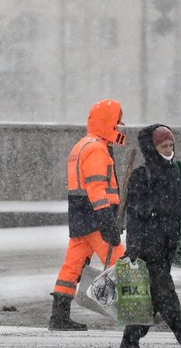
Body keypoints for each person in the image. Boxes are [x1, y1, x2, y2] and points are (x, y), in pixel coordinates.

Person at [119, 124, 181, 348]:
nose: (169, 149)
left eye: (171, 145)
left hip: (168, 244)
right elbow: (134, 215)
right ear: (153, 148)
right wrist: (133, 244)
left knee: (153, 299)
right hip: (148, 246)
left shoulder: (177, 171)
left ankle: (129, 344)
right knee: (165, 293)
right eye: (164, 146)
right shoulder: (142, 175)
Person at [49, 99, 127, 331]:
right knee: (120, 263)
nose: (118, 129)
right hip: (96, 217)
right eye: (116, 124)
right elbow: (96, 189)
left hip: (79, 216)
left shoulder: (81, 146)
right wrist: (107, 220)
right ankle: (137, 310)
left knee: (72, 267)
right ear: (108, 123)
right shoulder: (96, 149)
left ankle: (59, 315)